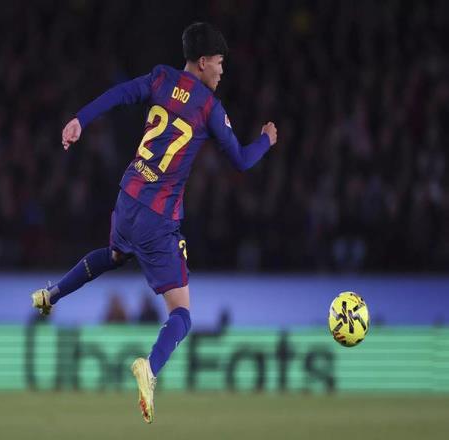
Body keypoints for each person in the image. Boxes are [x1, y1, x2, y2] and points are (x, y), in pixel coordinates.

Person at [31, 22, 277, 423]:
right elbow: (242, 160)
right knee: (182, 313)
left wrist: (80, 119)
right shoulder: (209, 107)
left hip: (128, 194)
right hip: (158, 217)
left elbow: (119, 94)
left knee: (115, 254)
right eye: (219, 62)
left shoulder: (161, 78)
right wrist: (267, 139)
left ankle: (51, 295)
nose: (222, 70)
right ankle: (150, 367)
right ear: (203, 61)